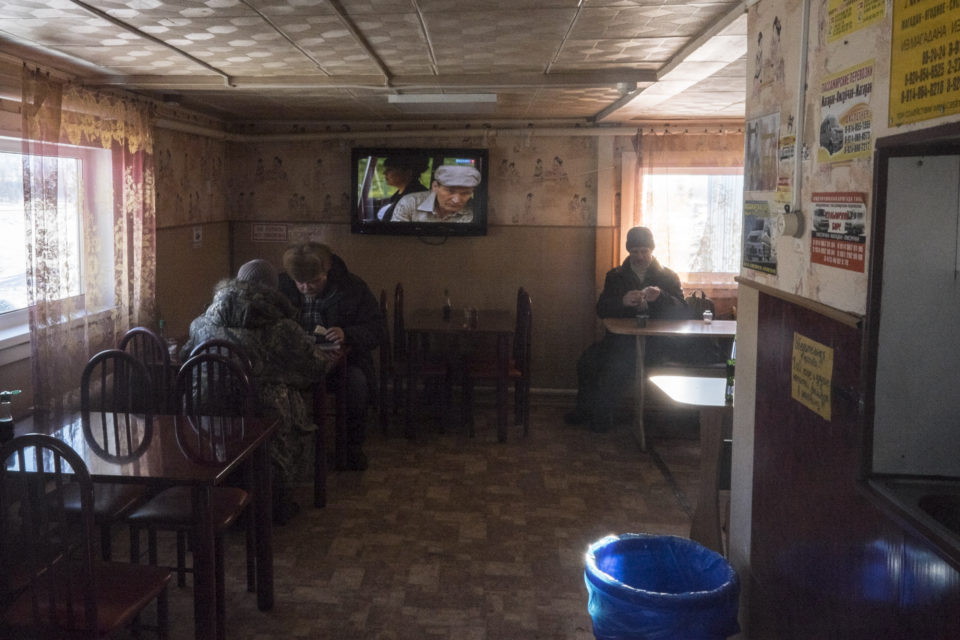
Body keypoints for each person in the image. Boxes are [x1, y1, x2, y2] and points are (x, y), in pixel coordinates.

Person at [180, 258, 332, 524]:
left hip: (203, 412)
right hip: (261, 414)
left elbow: (185, 357)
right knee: (287, 403)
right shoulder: (280, 327)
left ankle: (222, 499)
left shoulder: (201, 323)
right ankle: (275, 502)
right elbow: (315, 368)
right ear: (273, 290)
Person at [565, 227, 687, 432]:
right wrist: (622, 302)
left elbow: (684, 312)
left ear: (652, 250)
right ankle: (585, 410)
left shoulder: (668, 277)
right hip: (618, 340)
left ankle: (602, 417)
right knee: (587, 361)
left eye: (644, 251)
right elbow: (601, 309)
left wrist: (662, 298)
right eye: (635, 251)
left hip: (657, 344)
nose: (640, 256)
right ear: (629, 251)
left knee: (619, 365)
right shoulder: (616, 276)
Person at [278, 242, 384, 471]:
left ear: (327, 271)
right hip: (294, 365)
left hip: (342, 365)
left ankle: (351, 448)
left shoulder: (352, 288)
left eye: (314, 281)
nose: (306, 288)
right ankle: (288, 454)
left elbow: (377, 328)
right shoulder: (282, 288)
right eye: (300, 283)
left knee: (356, 384)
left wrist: (347, 333)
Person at [391, 164, 481, 223]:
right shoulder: (410, 203)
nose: (456, 200)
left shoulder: (476, 211)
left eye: (465, 193)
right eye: (450, 191)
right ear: (435, 187)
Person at [376, 154, 430, 222]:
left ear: (408, 173)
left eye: (390, 169)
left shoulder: (417, 198)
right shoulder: (400, 193)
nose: (384, 173)